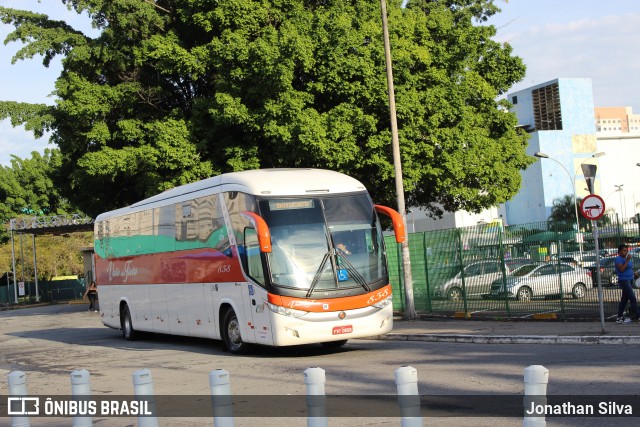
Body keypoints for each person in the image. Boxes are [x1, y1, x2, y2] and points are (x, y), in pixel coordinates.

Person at [614, 244, 640, 324]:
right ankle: (639, 316)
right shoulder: (618, 259)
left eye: (627, 250)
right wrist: (627, 260)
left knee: (624, 300)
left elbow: (629, 268)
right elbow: (621, 269)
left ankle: (619, 317)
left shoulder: (625, 259)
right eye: (624, 250)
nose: (626, 252)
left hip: (630, 279)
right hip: (624, 280)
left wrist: (635, 274)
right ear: (620, 251)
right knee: (632, 298)